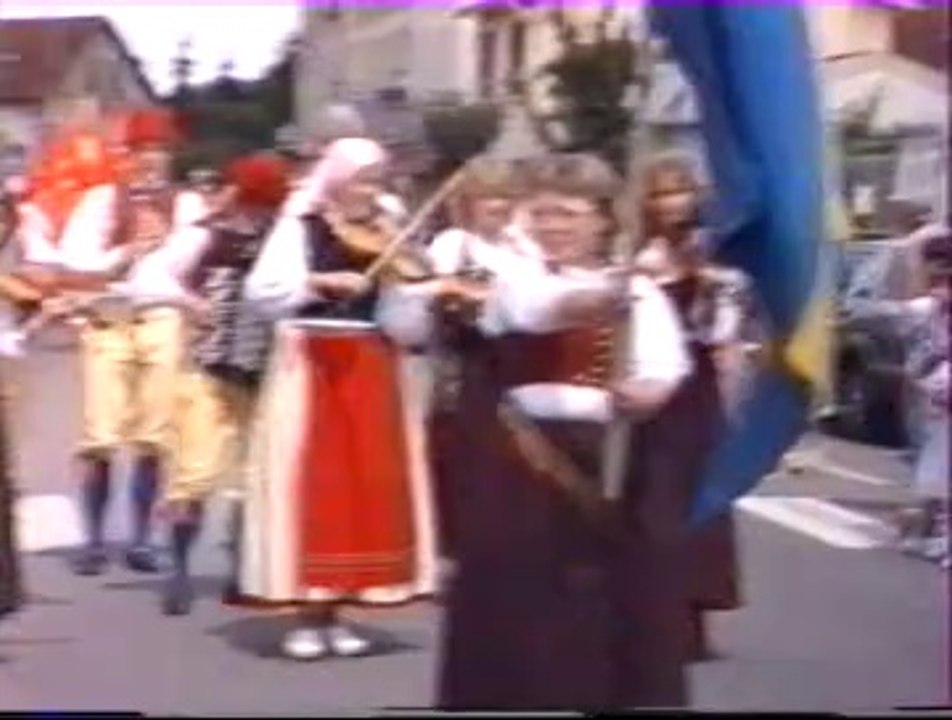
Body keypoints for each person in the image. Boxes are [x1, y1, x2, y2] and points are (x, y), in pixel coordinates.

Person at [381, 153, 695, 709]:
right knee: (513, 590)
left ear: (603, 218)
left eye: (569, 214)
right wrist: (595, 300)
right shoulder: (508, 275)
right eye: (543, 214)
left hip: (609, 452)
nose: (554, 226)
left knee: (601, 593)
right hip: (516, 456)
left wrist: (648, 391)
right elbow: (531, 310)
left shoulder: (639, 290)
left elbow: (665, 363)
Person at [241, 136, 437, 661]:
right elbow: (262, 292)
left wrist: (417, 302)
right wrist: (318, 281)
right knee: (314, 484)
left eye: (377, 180)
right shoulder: (301, 224)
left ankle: (344, 605)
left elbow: (402, 317)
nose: (370, 191)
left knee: (364, 487)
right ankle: (308, 611)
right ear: (336, 179)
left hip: (371, 361)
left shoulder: (387, 233)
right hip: (311, 358)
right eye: (361, 180)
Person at [53, 108, 209, 577]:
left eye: (158, 151)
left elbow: (181, 268)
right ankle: (94, 539)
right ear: (125, 155)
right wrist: (126, 252)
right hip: (109, 318)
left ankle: (141, 539)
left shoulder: (188, 207)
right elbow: (75, 261)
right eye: (141, 151)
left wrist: (162, 269)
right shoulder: (102, 200)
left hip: (159, 317)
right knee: (100, 434)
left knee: (153, 434)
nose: (150, 160)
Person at [160, 153, 292, 616]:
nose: (257, 214)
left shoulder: (286, 239)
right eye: (253, 203)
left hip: (262, 372)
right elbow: (148, 277)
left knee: (251, 479)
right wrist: (189, 303)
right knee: (193, 472)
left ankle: (241, 570)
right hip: (207, 369)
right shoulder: (204, 235)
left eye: (264, 205)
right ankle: (178, 569)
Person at [634, 153, 746, 661]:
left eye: (679, 191)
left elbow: (722, 335)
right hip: (655, 388)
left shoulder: (713, 257)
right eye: (660, 193)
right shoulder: (642, 258)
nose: (671, 203)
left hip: (697, 391)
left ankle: (694, 621)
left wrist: (713, 287)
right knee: (654, 502)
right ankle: (653, 616)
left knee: (700, 503)